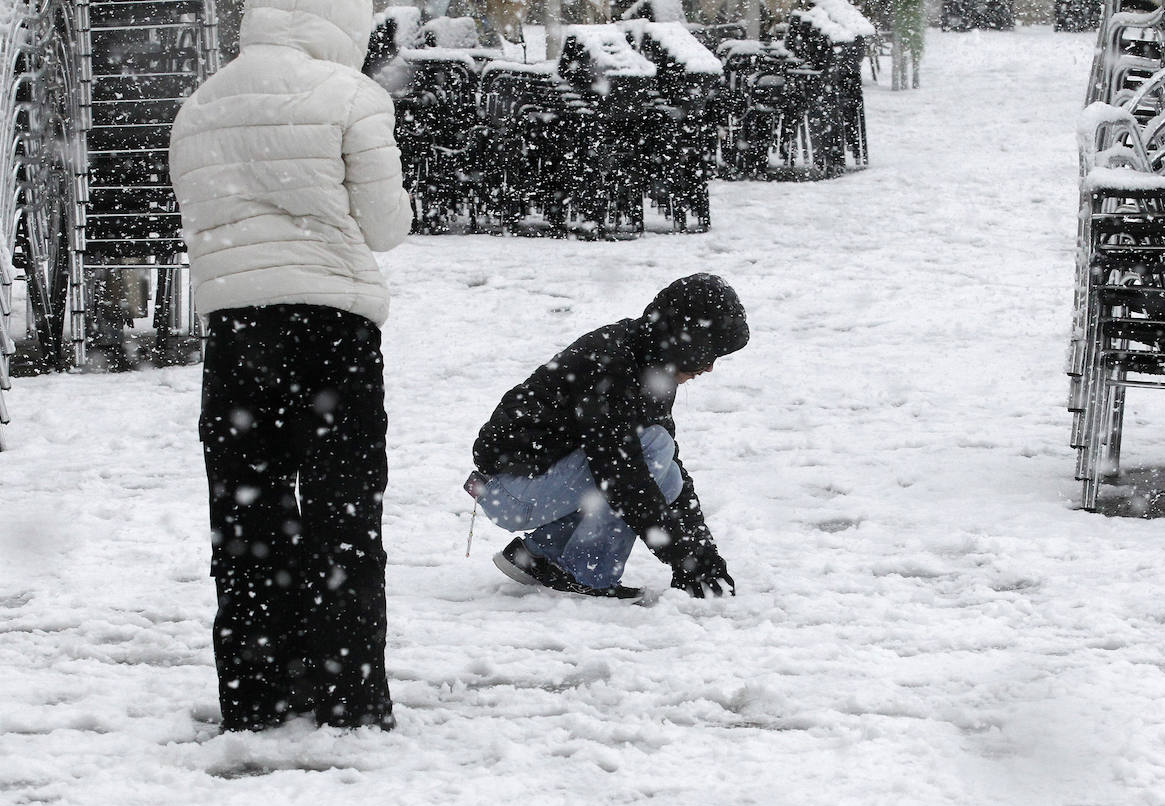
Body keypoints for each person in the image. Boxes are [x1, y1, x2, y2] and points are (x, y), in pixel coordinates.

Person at [168, 0, 411, 732]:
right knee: (345, 514)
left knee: (247, 522)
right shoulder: (352, 97)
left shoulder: (199, 107)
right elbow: (386, 226)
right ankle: (350, 694)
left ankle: (258, 691)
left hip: (238, 336)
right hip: (332, 328)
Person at [467, 274, 749, 600]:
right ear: (686, 342)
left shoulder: (652, 363)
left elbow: (660, 473)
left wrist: (703, 551)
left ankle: (540, 555)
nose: (710, 368)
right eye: (708, 354)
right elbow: (621, 477)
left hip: (538, 483)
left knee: (667, 475)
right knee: (651, 452)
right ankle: (585, 573)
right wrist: (681, 557)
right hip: (510, 490)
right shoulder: (611, 364)